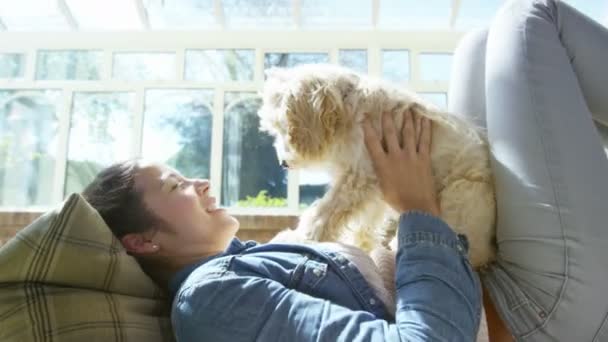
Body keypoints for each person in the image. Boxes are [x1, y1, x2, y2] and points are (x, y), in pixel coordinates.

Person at [83, 109, 482, 341]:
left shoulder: (246, 263)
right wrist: (418, 208)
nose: (200, 182)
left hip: (475, 286)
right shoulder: (210, 299)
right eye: (176, 185)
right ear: (142, 241)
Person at [448, 0, 608, 341]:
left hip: (483, 274)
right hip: (533, 314)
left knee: (477, 48)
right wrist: (415, 206)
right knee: (528, 18)